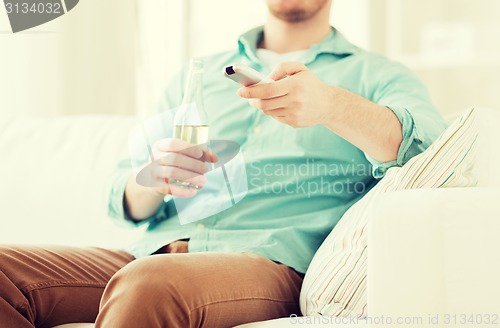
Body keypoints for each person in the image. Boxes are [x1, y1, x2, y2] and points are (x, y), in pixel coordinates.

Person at [0, 0, 447, 327]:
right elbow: (124, 196)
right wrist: (153, 181)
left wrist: (331, 106)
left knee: (149, 285)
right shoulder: (199, 74)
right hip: (152, 251)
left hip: (266, 263)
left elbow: (424, 150)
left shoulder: (376, 75)